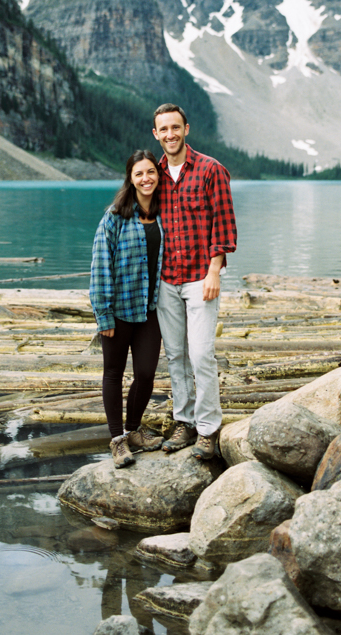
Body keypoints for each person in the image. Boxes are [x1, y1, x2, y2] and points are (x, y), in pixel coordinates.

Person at [152, 103, 237, 460]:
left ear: (187, 129)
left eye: (176, 127)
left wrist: (214, 270)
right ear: (155, 135)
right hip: (165, 281)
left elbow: (225, 224)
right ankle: (183, 422)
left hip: (200, 277)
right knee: (175, 356)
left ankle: (208, 429)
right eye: (163, 130)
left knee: (201, 353)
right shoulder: (152, 174)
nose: (170, 134)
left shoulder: (210, 169)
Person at [90, 149, 165, 468]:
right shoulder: (115, 216)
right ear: (130, 178)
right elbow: (100, 266)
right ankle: (118, 439)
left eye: (151, 172)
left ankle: (134, 430)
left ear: (158, 176)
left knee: (146, 373)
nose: (146, 178)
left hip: (150, 309)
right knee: (113, 373)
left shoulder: (165, 214)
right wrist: (103, 313)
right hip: (118, 310)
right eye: (139, 174)